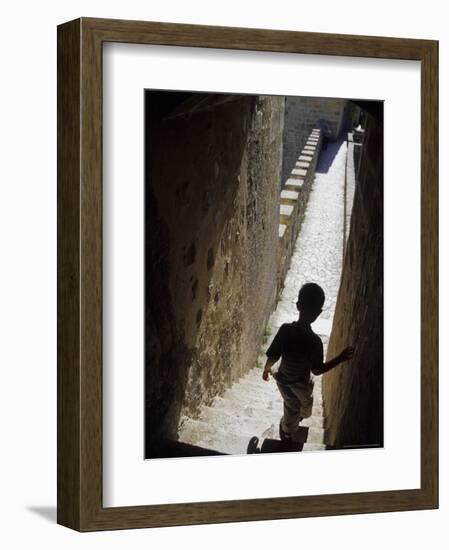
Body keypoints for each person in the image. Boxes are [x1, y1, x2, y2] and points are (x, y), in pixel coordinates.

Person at [262, 282, 354, 447]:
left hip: (287, 380)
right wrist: (339, 359)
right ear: (318, 313)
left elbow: (274, 353)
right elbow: (317, 370)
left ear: (298, 305)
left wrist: (267, 367)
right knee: (293, 409)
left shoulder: (286, 330)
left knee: (303, 408)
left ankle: (291, 423)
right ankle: (287, 432)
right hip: (294, 383)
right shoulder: (314, 342)